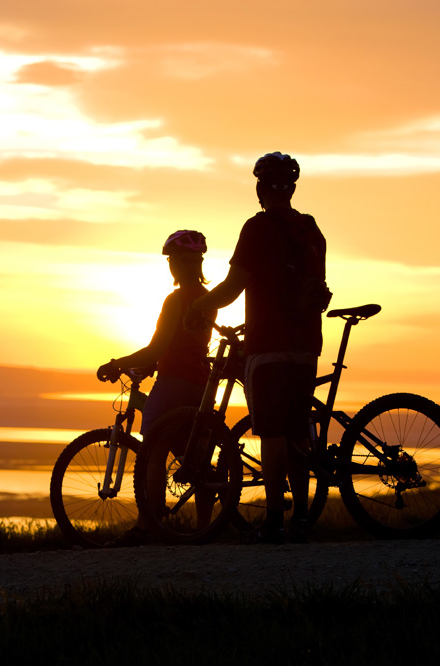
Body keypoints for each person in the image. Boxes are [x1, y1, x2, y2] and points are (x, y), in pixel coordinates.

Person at [186, 151, 330, 544]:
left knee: (271, 433)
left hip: (267, 345)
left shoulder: (257, 228)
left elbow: (232, 288)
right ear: (293, 188)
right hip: (306, 345)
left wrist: (197, 307)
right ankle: (301, 517)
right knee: (299, 432)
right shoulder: (311, 230)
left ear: (260, 189)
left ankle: (273, 519)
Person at [96, 229, 217, 546]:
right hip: (199, 383)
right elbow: (181, 344)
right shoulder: (208, 298)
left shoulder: (176, 299)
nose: (170, 265)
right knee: (195, 458)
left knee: (152, 449)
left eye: (171, 259)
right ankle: (203, 528)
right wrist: (151, 364)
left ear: (177, 263)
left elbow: (158, 346)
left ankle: (147, 526)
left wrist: (117, 363)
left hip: (174, 381)